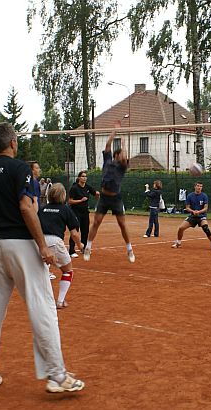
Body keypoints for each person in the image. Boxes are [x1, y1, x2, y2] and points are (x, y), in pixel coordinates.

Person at [0, 123, 84, 394]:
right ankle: (57, 376)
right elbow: (26, 207)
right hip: (21, 245)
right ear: (13, 142)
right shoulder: (19, 168)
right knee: (43, 308)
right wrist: (42, 246)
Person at [83, 122, 135, 263]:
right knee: (96, 222)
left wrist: (124, 143)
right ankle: (88, 247)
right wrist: (114, 131)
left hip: (116, 198)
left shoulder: (123, 165)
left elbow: (125, 157)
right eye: (120, 153)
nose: (123, 155)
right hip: (104, 198)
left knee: (122, 224)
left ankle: (129, 249)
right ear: (115, 155)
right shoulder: (108, 160)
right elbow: (107, 146)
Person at [38, 183, 83, 308]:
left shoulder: (42, 209)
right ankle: (60, 301)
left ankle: (42, 301)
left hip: (39, 242)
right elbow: (74, 233)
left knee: (41, 272)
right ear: (63, 195)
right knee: (67, 270)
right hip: (54, 242)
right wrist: (80, 245)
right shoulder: (65, 209)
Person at [172, 181, 211, 250]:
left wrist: (199, 212)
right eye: (198, 186)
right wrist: (193, 211)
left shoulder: (204, 196)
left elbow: (206, 208)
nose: (199, 187)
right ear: (195, 187)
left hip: (201, 216)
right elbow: (187, 207)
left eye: (201, 186)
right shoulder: (190, 196)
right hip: (192, 216)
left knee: (205, 227)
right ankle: (178, 242)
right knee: (181, 228)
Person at [68, 170, 99, 257]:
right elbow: (70, 201)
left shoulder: (87, 187)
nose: (84, 178)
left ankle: (84, 248)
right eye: (83, 176)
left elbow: (95, 194)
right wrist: (80, 201)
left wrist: (97, 195)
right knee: (75, 230)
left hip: (85, 212)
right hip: (75, 211)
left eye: (85, 176)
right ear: (79, 178)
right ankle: (71, 251)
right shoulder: (74, 188)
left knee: (85, 230)